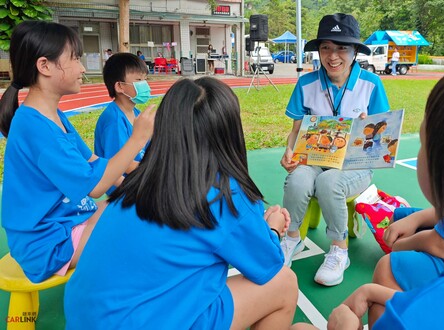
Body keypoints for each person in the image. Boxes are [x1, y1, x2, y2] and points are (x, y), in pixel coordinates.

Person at [64, 77, 316, 329]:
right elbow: (267, 264)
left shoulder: (137, 182)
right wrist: (271, 228)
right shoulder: (226, 196)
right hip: (147, 320)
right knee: (283, 283)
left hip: (84, 317)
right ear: (230, 132)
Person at [328, 53, 444, 329]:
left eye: (423, 142)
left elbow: (428, 303)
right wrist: (370, 291)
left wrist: (343, 326)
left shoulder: (413, 317)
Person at [0, 21, 155, 283]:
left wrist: (139, 189)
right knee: (144, 235)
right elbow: (96, 186)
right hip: (47, 244)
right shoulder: (35, 126)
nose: (83, 68)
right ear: (44, 66)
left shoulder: (52, 116)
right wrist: (138, 139)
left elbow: (95, 161)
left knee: (145, 209)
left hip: (68, 221)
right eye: (74, 58)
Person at [280, 13, 390, 287]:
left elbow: (384, 136)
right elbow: (296, 130)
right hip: (314, 157)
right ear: (318, 51)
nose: (333, 56)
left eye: (342, 47)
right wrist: (289, 150)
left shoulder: (372, 85)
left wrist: (371, 130)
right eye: (326, 47)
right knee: (298, 179)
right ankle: (291, 239)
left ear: (354, 51)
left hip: (355, 164)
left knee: (329, 182)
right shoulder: (306, 83)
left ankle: (340, 250)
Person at [94, 53, 151, 195]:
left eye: (145, 79)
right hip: (123, 192)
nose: (145, 84)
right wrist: (156, 171)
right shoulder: (114, 120)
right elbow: (122, 165)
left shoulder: (136, 113)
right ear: (120, 86)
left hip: (139, 181)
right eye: (139, 80)